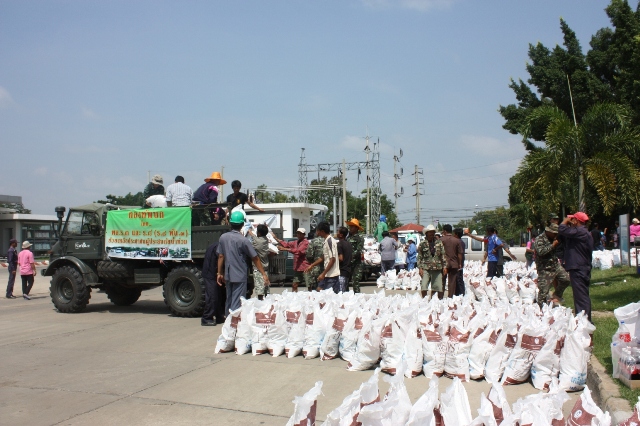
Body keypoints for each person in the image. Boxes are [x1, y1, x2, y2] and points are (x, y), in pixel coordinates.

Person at [216, 211, 269, 315]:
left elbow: (221, 256)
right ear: (242, 224)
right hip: (239, 275)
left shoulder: (223, 237)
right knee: (237, 301)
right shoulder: (243, 240)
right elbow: (255, 258)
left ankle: (228, 319)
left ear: (230, 223)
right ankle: (234, 322)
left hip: (228, 274)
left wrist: (219, 273)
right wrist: (263, 273)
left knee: (229, 299)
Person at [558, 212, 594, 322]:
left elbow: (562, 229)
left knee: (581, 296)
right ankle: (582, 318)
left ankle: (584, 321)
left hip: (579, 268)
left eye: (573, 219)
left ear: (577, 220)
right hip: (580, 267)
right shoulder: (581, 232)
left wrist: (565, 221)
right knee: (580, 295)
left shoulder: (580, 231)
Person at [534, 223, 570, 307]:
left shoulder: (554, 238)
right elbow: (541, 252)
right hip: (545, 268)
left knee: (566, 279)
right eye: (554, 233)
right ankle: (541, 309)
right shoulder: (539, 239)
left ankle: (557, 295)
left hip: (555, 265)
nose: (556, 235)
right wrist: (553, 245)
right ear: (548, 231)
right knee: (543, 291)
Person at [306, 222, 340, 293]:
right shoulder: (326, 240)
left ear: (322, 231)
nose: (317, 232)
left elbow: (332, 259)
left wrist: (323, 274)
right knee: (319, 290)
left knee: (328, 296)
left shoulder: (330, 241)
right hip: (327, 275)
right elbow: (324, 256)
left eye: (317, 230)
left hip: (331, 276)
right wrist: (312, 265)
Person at [417, 224, 447, 300]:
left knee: (436, 287)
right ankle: (424, 300)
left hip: (437, 268)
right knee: (424, 286)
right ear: (426, 233)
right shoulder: (422, 244)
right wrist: (420, 268)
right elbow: (419, 257)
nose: (431, 234)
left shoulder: (439, 243)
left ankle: (433, 301)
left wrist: (445, 267)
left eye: (433, 232)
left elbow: (443, 255)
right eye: (430, 232)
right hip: (426, 268)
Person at [275, 228, 309, 292]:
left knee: (309, 285)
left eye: (300, 234)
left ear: (304, 234)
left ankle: (311, 296)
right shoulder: (295, 242)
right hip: (297, 268)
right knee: (294, 285)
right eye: (298, 233)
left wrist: (285, 249)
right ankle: (294, 297)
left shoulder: (305, 243)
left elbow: (298, 251)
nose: (299, 235)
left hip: (305, 267)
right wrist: (276, 239)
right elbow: (286, 244)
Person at [201, 241, 224, 326]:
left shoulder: (215, 245)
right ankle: (206, 318)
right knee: (212, 296)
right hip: (210, 274)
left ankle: (219, 316)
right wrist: (220, 273)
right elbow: (221, 257)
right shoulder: (219, 247)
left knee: (218, 296)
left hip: (212, 273)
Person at [440, 224, 462, 298]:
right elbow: (459, 254)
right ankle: (450, 297)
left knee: (442, 281)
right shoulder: (457, 241)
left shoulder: (441, 240)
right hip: (454, 264)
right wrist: (459, 263)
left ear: (444, 231)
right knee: (452, 282)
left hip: (443, 264)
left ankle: (440, 297)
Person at [250, 224, 271, 300]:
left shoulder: (257, 241)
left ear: (259, 233)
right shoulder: (265, 239)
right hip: (265, 268)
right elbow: (254, 236)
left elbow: (252, 238)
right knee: (265, 291)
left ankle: (261, 305)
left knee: (260, 292)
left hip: (259, 270)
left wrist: (248, 229)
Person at [346, 218, 365, 293]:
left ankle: (357, 296)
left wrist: (351, 257)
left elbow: (359, 250)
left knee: (355, 282)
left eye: (352, 226)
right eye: (350, 226)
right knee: (345, 281)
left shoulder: (360, 237)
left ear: (356, 228)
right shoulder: (348, 237)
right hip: (348, 263)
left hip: (356, 264)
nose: (350, 228)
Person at [336, 226, 353, 293]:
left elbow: (340, 258)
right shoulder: (348, 244)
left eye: (338, 232)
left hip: (342, 271)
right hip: (348, 270)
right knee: (345, 291)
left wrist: (333, 260)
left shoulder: (339, 244)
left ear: (341, 235)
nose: (336, 233)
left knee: (341, 292)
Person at [453, 228, 466, 296]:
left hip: (458, 263)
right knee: (457, 278)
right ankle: (458, 293)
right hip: (459, 262)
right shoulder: (462, 242)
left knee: (458, 278)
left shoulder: (458, 242)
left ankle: (461, 293)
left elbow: (459, 254)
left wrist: (459, 263)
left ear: (457, 234)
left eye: (454, 233)